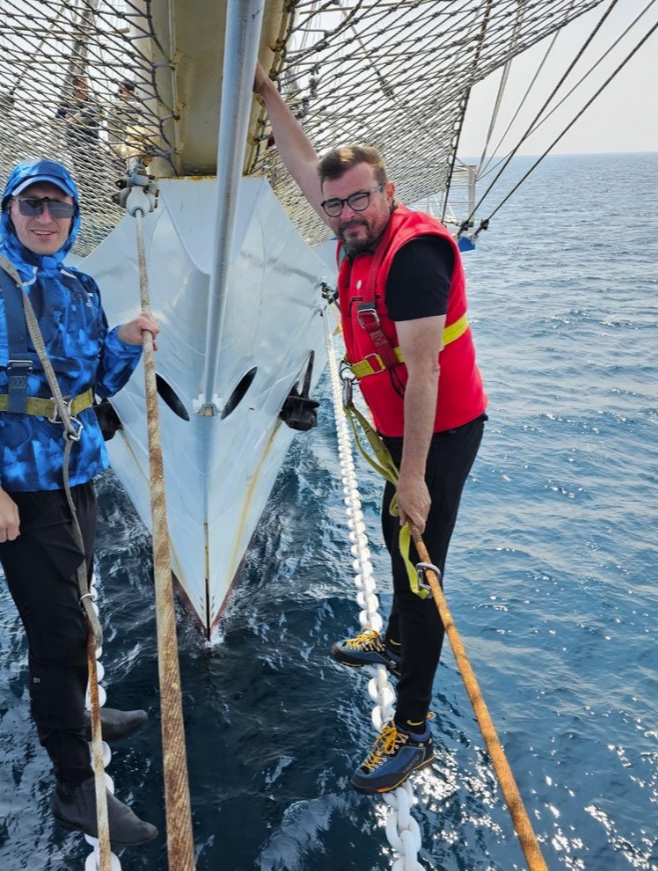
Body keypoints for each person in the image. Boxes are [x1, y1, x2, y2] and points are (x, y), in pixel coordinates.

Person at [253, 64, 488, 794]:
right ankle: (389, 640)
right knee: (394, 540)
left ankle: (412, 731)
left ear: (389, 193)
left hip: (438, 435)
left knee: (422, 574)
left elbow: (426, 374)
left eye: (360, 199)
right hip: (401, 433)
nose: (345, 213)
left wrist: (414, 475)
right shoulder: (351, 234)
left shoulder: (412, 257)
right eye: (335, 205)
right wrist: (268, 98)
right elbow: (303, 166)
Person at [0, 158, 159, 846]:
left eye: (58, 206)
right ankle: (76, 787)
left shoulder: (80, 286)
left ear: (74, 214)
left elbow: (94, 383)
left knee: (83, 607)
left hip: (76, 472)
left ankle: (85, 710)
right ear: (9, 210)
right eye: (33, 206)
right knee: (58, 635)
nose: (46, 218)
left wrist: (126, 340)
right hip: (18, 489)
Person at [56, 75, 102, 148]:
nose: (87, 90)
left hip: (91, 141)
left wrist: (76, 116)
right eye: (84, 87)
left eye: (87, 87)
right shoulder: (67, 102)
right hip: (74, 141)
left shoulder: (94, 101)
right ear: (76, 89)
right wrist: (65, 117)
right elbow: (58, 118)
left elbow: (92, 111)